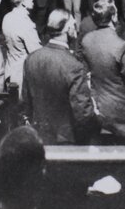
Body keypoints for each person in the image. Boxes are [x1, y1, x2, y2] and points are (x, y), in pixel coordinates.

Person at [21, 9, 96, 144]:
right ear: (67, 29)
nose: (76, 29)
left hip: (38, 137)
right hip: (65, 139)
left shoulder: (31, 58)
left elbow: (26, 102)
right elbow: (82, 113)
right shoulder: (74, 65)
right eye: (73, 24)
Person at [80, 0, 125, 138]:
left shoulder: (86, 40)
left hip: (100, 107)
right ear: (113, 17)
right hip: (123, 111)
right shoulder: (121, 45)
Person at [2, 0, 43, 93]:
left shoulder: (7, 17)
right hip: (23, 74)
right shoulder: (26, 24)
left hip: (10, 70)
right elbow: (36, 52)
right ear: (23, 3)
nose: (32, 0)